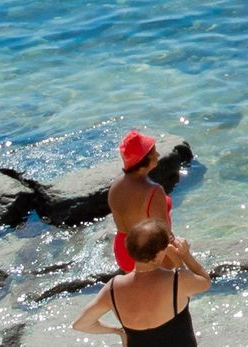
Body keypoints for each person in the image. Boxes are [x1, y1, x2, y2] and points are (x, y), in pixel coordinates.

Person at [71, 219, 210, 344]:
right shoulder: (177, 281)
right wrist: (185, 256)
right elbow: (205, 281)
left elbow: (81, 324)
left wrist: (118, 331)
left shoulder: (113, 288)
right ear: (160, 253)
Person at [109, 131, 174, 273]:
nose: (157, 155)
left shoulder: (115, 186)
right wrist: (181, 258)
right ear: (145, 160)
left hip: (123, 251)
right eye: (154, 152)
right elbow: (163, 234)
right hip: (148, 251)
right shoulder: (153, 191)